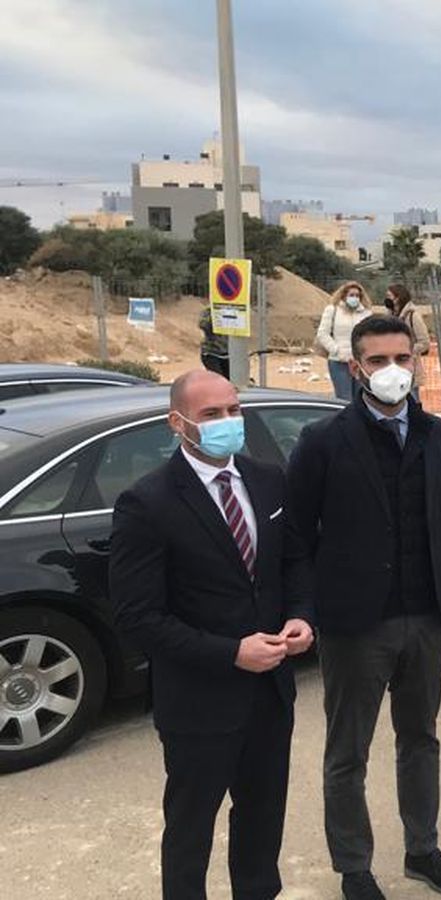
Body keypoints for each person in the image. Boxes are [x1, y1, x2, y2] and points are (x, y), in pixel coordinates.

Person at [285, 315, 441, 900]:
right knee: (349, 752)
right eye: (377, 361)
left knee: (421, 738)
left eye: (403, 358)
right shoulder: (322, 443)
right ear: (354, 368)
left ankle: (422, 849)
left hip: (427, 617)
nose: (393, 371)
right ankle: (354, 867)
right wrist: (306, 611)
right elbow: (296, 538)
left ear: (416, 361)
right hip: (356, 625)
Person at [111, 370, 314, 900]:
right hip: (200, 704)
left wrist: (301, 616)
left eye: (234, 410)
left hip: (270, 694)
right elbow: (139, 616)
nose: (229, 423)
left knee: (263, 815)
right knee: (191, 828)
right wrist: (231, 654)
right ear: (177, 423)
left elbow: (292, 563)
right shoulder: (147, 502)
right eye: (212, 415)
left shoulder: (268, 478)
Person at [317, 281, 375, 400]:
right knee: (344, 399)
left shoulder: (366, 313)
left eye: (357, 295)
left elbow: (371, 335)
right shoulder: (332, 310)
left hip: (360, 363)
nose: (355, 298)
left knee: (362, 398)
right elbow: (322, 333)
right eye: (351, 295)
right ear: (344, 296)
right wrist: (336, 350)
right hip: (339, 362)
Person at [384, 284, 433, 358]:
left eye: (389, 296)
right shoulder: (389, 316)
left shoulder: (413, 316)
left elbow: (424, 343)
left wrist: (404, 350)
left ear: (398, 298)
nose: (386, 299)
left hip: (410, 360)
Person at [199, 306, 230, 376]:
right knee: (217, 378)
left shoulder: (234, 310)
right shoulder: (210, 310)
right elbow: (203, 325)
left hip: (228, 353)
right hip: (212, 352)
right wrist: (215, 316)